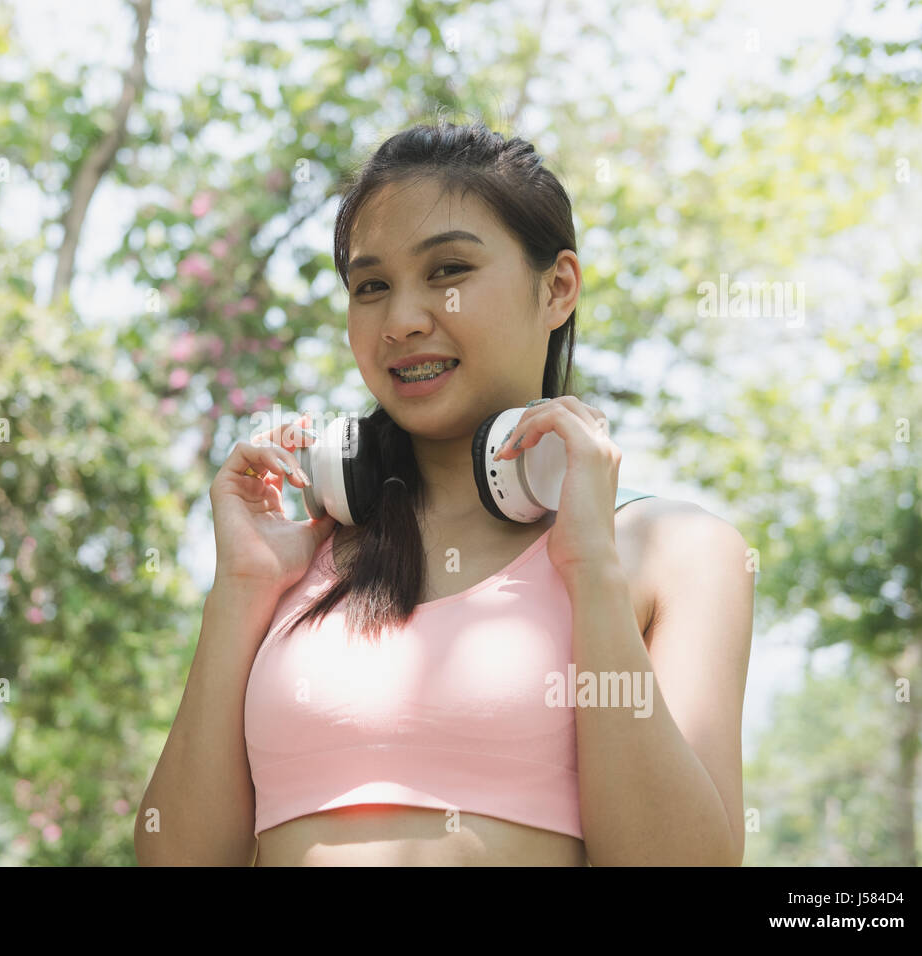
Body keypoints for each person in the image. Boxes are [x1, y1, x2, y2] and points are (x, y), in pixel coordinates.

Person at [135, 120, 753, 867]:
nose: (401, 321)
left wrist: (589, 570)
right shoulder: (295, 556)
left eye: (449, 271)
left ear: (557, 288)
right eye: (371, 287)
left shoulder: (675, 552)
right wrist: (239, 591)